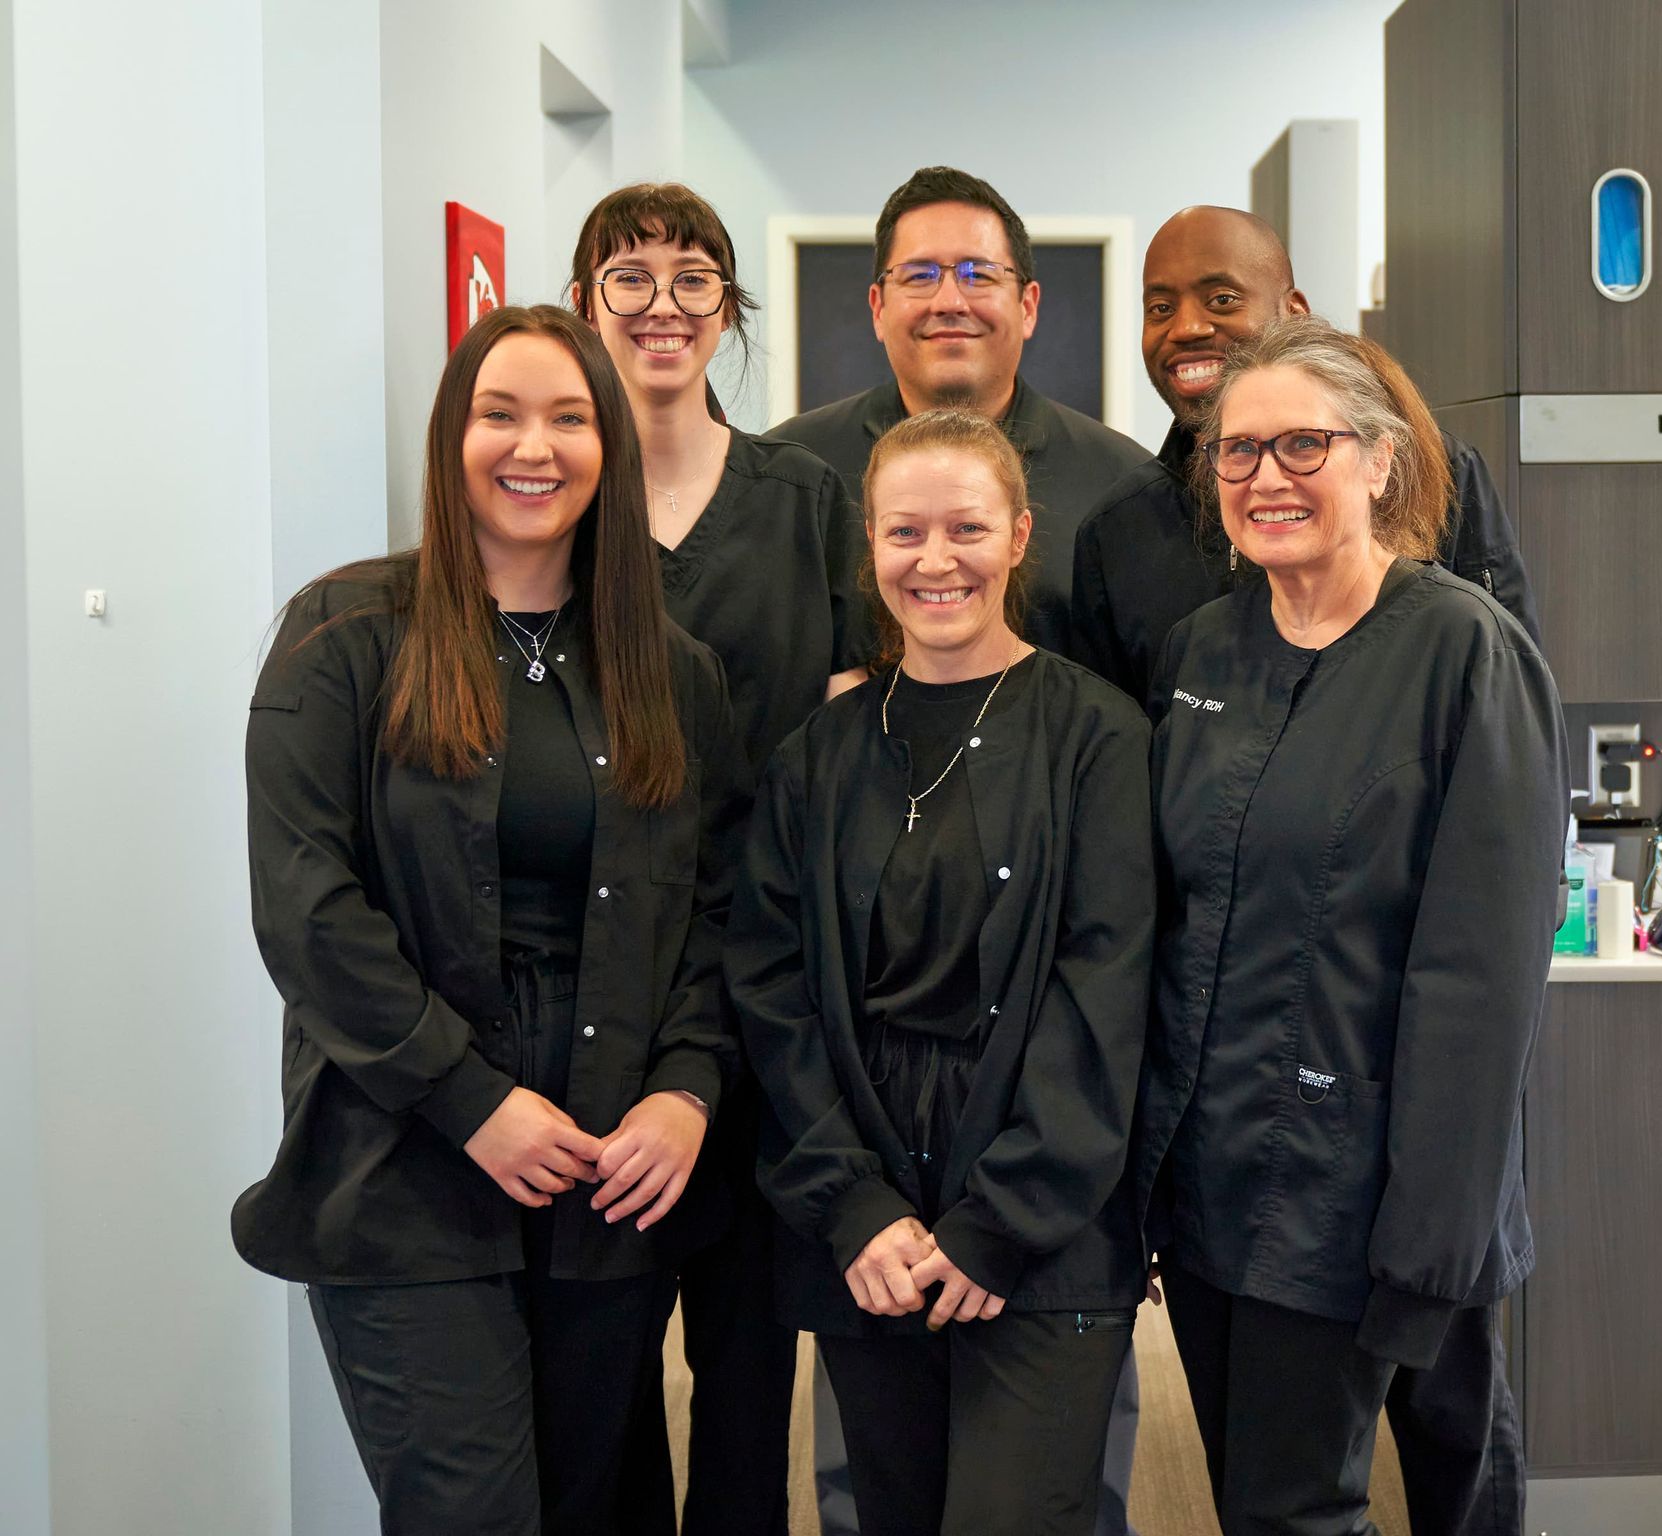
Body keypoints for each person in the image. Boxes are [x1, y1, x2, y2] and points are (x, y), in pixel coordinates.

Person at [233, 304, 747, 1536]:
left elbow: (722, 910)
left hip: (608, 1172)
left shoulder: (673, 669)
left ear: (610, 449)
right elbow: (307, 909)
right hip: (404, 1155)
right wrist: (472, 1102)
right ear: (448, 438)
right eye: (500, 414)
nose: (537, 446)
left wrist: (684, 1090)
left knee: (594, 1510)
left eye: (572, 418)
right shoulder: (345, 634)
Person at [1137, 315, 1568, 1536]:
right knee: (1263, 1500)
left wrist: (1433, 1246)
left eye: (1302, 445)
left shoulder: (1464, 653)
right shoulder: (1202, 652)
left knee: (1307, 1511)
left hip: (1365, 1185)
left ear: (1381, 462)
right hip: (1211, 1175)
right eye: (1238, 452)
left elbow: (1482, 982)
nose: (1265, 477)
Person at [727, 409, 1154, 1536]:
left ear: (1018, 536)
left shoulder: (1100, 738)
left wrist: (1001, 1221)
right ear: (867, 546)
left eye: (965, 528)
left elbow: (1103, 994)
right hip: (869, 1225)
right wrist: (853, 1205)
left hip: (1043, 1223)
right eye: (903, 532)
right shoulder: (815, 757)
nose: (935, 560)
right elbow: (773, 997)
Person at [569, 179, 868, 1536]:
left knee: (750, 1368)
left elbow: (857, 715)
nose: (663, 305)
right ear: (586, 305)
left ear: (729, 310)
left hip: (771, 987)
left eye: (694, 277)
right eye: (629, 276)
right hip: (605, 995)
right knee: (605, 1372)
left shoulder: (803, 500)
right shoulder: (558, 499)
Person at [1071, 205, 1538, 707]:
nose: (1186, 327)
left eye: (1222, 299)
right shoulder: (1120, 530)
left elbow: (1509, 699)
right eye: (1160, 308)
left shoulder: (1434, 471)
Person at [772, 165, 1153, 659]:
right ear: (878, 309)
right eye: (919, 276)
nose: (949, 300)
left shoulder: (1122, 485)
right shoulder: (793, 473)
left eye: (979, 274)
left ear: (1028, 306)